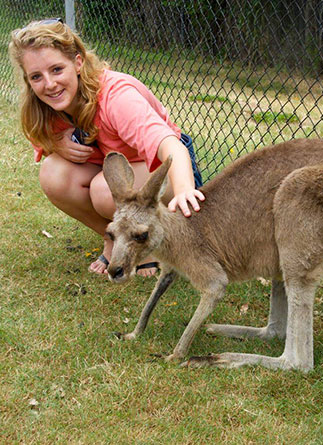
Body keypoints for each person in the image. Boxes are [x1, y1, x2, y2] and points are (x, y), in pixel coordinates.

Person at [9, 18, 205, 277]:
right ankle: (114, 239)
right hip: (119, 171)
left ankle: (148, 247)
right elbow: (41, 138)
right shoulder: (46, 106)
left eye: (57, 69)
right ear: (28, 80)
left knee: (103, 191)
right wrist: (57, 144)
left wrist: (184, 191)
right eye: (36, 76)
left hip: (172, 172)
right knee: (53, 173)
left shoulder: (116, 97)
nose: (49, 84)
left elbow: (172, 148)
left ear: (78, 63)